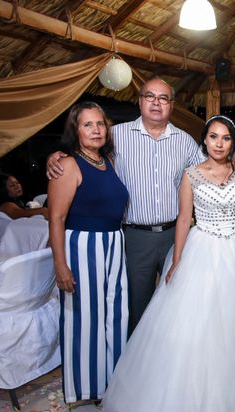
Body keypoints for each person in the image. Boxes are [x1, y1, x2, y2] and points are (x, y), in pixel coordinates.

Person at [102, 116, 235, 412]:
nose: (219, 143)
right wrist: (177, 260)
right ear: (204, 141)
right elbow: (184, 219)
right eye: (213, 137)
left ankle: (234, 394)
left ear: (233, 143)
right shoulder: (191, 175)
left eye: (225, 138)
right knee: (196, 323)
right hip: (203, 249)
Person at [47, 77, 203, 334]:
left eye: (163, 98)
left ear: (171, 105)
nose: (156, 102)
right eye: (149, 96)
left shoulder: (185, 141)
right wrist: (56, 157)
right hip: (134, 237)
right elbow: (84, 158)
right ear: (140, 101)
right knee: (135, 304)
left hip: (175, 235)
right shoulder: (115, 136)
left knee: (177, 300)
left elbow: (207, 173)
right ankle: (137, 365)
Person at [48, 101, 129, 404]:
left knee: (114, 315)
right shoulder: (68, 164)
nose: (96, 130)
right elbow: (55, 218)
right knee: (85, 319)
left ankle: (113, 383)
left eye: (100, 124)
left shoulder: (106, 161)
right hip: (83, 245)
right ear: (75, 130)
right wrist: (60, 265)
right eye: (87, 125)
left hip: (113, 244)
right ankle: (87, 387)